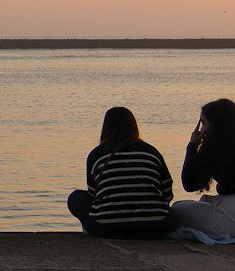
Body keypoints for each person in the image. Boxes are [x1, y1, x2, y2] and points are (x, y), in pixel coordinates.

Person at [67, 106, 173, 238]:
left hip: (106, 228)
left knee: (75, 198)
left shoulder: (97, 155)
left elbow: (93, 194)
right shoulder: (151, 152)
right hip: (156, 227)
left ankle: (91, 228)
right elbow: (167, 194)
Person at [170, 98, 235, 240]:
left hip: (230, 218)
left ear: (215, 125)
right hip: (230, 207)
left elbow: (190, 184)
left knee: (176, 208)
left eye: (203, 123)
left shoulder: (218, 147)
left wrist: (192, 146)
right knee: (206, 199)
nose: (201, 129)